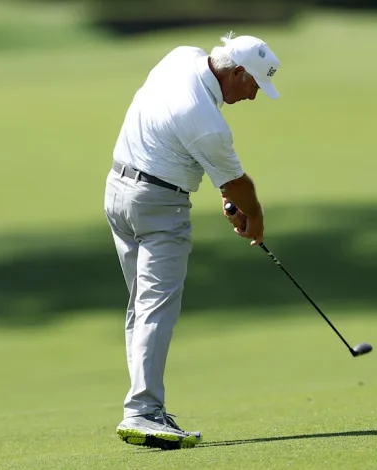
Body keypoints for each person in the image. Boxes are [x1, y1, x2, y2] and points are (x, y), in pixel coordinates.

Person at [103, 31, 282, 450]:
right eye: (254, 84)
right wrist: (253, 215)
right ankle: (143, 411)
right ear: (237, 72)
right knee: (155, 305)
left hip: (119, 192)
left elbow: (193, 151)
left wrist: (226, 193)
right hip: (159, 208)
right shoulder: (209, 124)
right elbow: (237, 184)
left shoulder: (181, 56)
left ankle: (146, 408)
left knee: (141, 305)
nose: (254, 96)